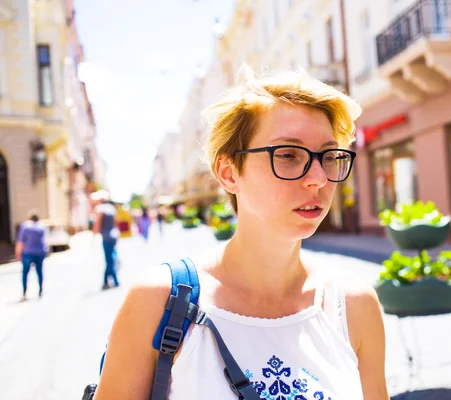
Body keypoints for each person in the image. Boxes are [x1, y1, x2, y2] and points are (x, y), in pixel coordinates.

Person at [93, 67, 388, 399]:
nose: (319, 177)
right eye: (289, 155)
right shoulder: (159, 301)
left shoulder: (353, 305)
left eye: (329, 156)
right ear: (229, 172)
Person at [15, 211, 48, 301]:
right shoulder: (42, 226)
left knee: (25, 273)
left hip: (28, 252)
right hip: (40, 252)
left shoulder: (25, 226)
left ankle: (25, 292)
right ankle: (40, 290)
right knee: (39, 272)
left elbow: (20, 241)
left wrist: (18, 253)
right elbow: (45, 240)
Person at [92, 190, 120, 290]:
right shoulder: (112, 208)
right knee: (111, 257)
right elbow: (115, 222)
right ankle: (105, 281)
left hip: (106, 236)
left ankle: (115, 281)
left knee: (109, 259)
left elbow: (98, 223)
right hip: (113, 235)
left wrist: (94, 235)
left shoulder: (100, 209)